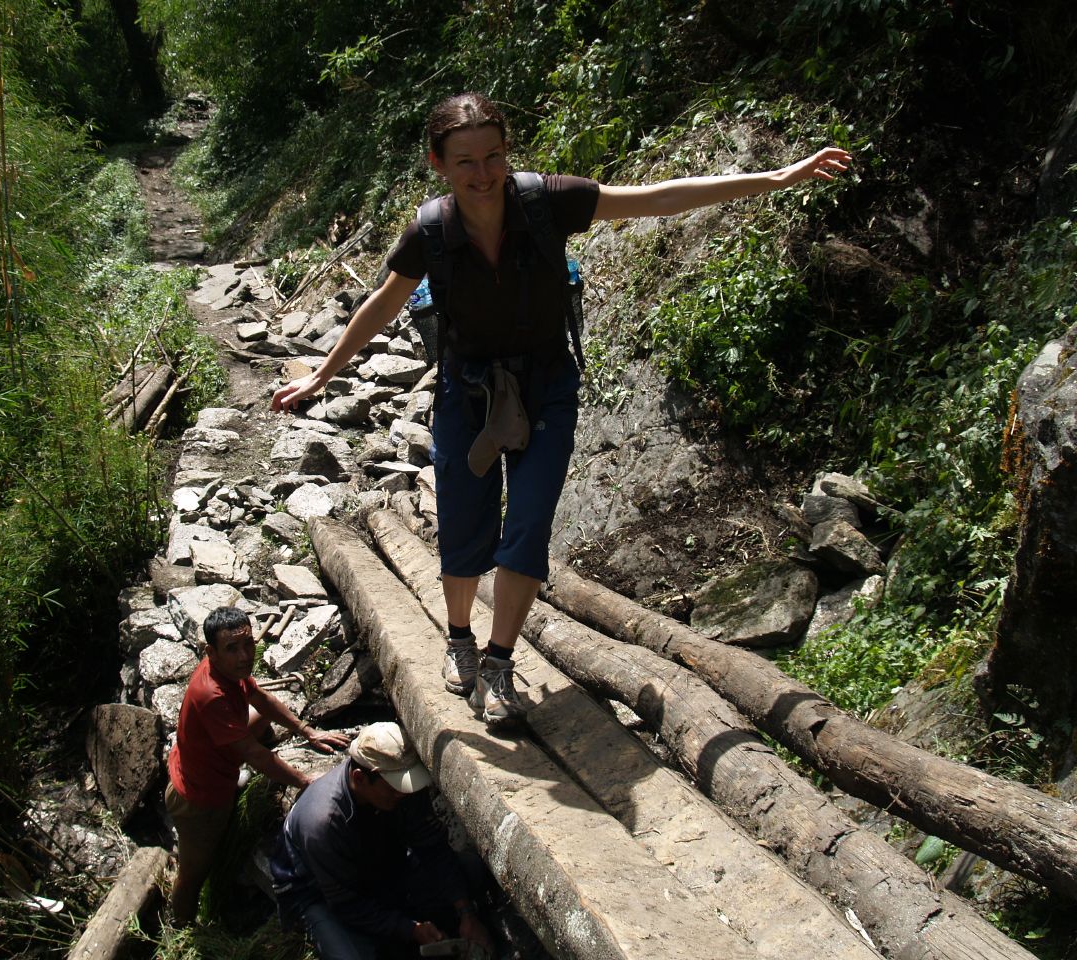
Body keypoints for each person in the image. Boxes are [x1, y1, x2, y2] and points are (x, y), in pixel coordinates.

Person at [272, 92, 851, 729]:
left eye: (494, 156)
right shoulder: (430, 233)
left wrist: (775, 177)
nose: (483, 173)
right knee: (464, 523)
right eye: (465, 161)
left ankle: (498, 661)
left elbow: (657, 196)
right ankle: (459, 640)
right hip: (467, 392)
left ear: (508, 153)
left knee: (527, 525)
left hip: (547, 385)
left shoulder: (549, 202)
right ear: (438, 163)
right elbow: (383, 305)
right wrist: (323, 373)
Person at [165, 605, 351, 925]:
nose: (244, 656)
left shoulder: (227, 671)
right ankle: (180, 925)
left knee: (262, 713)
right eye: (232, 649)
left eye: (248, 644)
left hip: (206, 761)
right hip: (198, 797)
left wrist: (307, 731)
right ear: (211, 651)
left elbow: (262, 699)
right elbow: (254, 754)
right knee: (193, 873)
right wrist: (305, 782)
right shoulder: (212, 695)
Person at [271, 721, 492, 960]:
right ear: (360, 778)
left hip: (379, 865)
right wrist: (410, 929)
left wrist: (466, 913)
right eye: (394, 789)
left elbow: (431, 846)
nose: (403, 794)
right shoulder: (322, 822)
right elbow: (346, 903)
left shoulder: (400, 790)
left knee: (471, 870)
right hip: (319, 893)